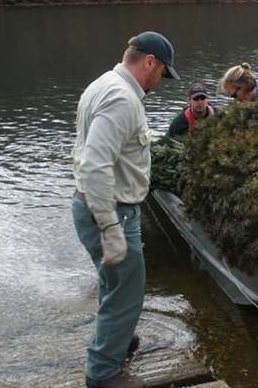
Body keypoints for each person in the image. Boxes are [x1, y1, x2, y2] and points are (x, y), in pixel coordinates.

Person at [71, 31, 178, 388]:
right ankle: (103, 373)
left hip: (92, 204)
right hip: (111, 211)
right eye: (162, 71)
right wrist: (110, 227)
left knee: (113, 283)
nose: (161, 81)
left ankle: (117, 340)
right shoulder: (121, 98)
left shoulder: (104, 83)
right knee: (128, 291)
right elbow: (95, 164)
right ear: (149, 62)